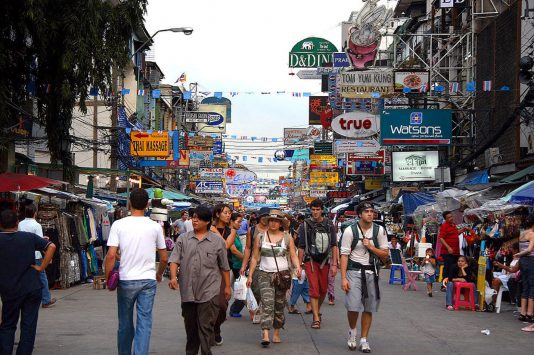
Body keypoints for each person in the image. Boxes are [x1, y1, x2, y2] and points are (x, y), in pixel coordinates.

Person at [105, 188, 168, 355]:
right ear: (147, 205)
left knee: (124, 323)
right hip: (148, 280)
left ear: (130, 203)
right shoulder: (155, 227)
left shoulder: (118, 224)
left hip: (126, 280)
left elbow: (111, 255)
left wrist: (108, 278)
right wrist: (159, 274)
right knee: (144, 322)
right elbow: (163, 258)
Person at [168, 205, 231, 355]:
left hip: (209, 290)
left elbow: (224, 266)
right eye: (194, 217)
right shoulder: (183, 238)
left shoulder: (217, 241)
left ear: (207, 221)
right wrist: (172, 277)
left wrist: (227, 286)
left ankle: (206, 352)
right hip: (187, 290)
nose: (194, 220)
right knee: (190, 328)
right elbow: (174, 260)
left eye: (198, 218)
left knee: (205, 326)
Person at [0, 209, 56, 355]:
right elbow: (52, 246)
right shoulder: (28, 237)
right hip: (31, 287)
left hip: (9, 289)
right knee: (28, 326)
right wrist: (42, 266)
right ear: (17, 223)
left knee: (8, 325)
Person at [247, 209, 301, 347]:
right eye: (271, 220)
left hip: (282, 276)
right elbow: (254, 257)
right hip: (264, 274)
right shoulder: (260, 237)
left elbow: (293, 255)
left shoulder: (287, 237)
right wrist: (251, 275)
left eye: (276, 221)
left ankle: (276, 331)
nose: (273, 223)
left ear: (281, 223)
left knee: (279, 305)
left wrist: (298, 268)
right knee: (267, 303)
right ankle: (265, 332)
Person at [340, 201, 388, 353]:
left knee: (369, 307)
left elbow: (385, 255)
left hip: (372, 272)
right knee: (353, 306)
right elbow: (344, 256)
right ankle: (352, 332)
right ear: (359, 214)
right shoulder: (349, 231)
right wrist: (343, 278)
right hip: (353, 271)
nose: (370, 214)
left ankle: (364, 339)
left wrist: (371, 247)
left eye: (372, 211)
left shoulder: (379, 230)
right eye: (366, 211)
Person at [297, 199, 338, 330]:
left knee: (323, 289)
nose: (315, 212)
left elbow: (334, 245)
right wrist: (298, 265)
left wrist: (334, 264)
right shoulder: (305, 225)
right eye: (313, 210)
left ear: (322, 210)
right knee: (314, 289)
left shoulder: (329, 224)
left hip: (325, 261)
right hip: (310, 261)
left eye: (317, 210)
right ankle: (316, 317)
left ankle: (317, 310)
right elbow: (301, 247)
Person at [18, 203, 56, 308]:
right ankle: (46, 299)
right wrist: (47, 255)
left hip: (23, 255)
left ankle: (23, 299)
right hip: (36, 255)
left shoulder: (20, 224)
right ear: (35, 213)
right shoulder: (37, 225)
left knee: (23, 277)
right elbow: (39, 243)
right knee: (42, 277)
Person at [210, 203, 237, 345]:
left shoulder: (230, 231)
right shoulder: (207, 229)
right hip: (208, 269)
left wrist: (233, 231)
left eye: (229, 213)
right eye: (225, 212)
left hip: (224, 270)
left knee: (222, 304)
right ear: (217, 214)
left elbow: (226, 246)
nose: (228, 215)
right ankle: (207, 330)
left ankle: (216, 328)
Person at [240, 207, 271, 323]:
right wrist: (244, 265)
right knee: (256, 290)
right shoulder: (252, 230)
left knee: (267, 291)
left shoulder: (274, 229)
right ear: (259, 217)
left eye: (267, 216)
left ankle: (263, 312)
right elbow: (248, 248)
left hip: (271, 264)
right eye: (263, 216)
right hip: (256, 265)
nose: (265, 219)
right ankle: (254, 310)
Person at [515, 216, 534, 330]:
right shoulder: (532, 234)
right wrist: (519, 254)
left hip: (523, 262)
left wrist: (519, 255)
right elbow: (530, 249)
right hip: (531, 261)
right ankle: (530, 313)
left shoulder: (522, 233)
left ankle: (523, 313)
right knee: (533, 286)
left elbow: (522, 247)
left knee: (525, 285)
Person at [228, 212, 246, 318]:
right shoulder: (230, 233)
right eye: (238, 222)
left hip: (238, 265)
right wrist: (246, 259)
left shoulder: (236, 232)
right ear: (231, 221)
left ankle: (234, 309)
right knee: (242, 289)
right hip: (233, 266)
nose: (240, 224)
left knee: (241, 289)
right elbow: (233, 250)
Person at [439, 211, 462, 291]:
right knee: (447, 268)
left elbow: (455, 234)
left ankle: (451, 285)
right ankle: (444, 285)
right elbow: (441, 238)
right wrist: (448, 247)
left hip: (456, 251)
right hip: (447, 252)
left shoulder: (453, 225)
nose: (451, 218)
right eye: (449, 217)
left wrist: (463, 230)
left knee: (454, 268)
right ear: (445, 219)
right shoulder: (444, 226)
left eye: (451, 216)